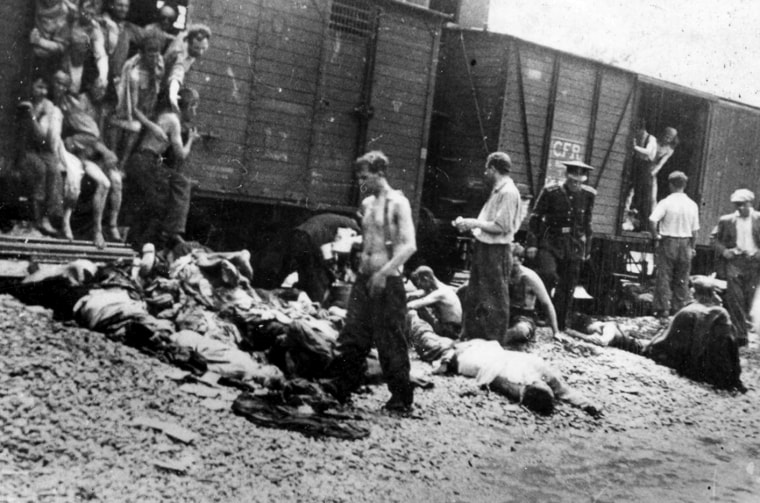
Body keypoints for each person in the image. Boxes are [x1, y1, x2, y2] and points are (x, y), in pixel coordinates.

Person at [322, 151, 417, 413]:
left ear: (380, 173)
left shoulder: (398, 203)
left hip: (389, 282)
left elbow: (409, 246)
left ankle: (401, 398)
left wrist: (384, 273)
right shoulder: (367, 204)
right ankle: (338, 387)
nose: (362, 182)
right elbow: (368, 242)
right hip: (364, 279)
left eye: (365, 177)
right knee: (353, 333)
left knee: (390, 339)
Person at [577, 276, 744, 391]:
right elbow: (732, 347)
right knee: (622, 335)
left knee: (627, 340)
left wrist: (650, 347)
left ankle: (586, 326)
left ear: (693, 292)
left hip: (680, 360)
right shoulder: (720, 314)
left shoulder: (688, 312)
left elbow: (662, 343)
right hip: (719, 372)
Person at [454, 151, 523, 343]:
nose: (485, 172)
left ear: (493, 168)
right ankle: (473, 336)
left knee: (495, 297)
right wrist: (472, 224)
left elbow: (502, 226)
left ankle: (494, 340)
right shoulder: (498, 190)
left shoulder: (508, 192)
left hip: (497, 250)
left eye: (487, 168)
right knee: (476, 293)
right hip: (485, 247)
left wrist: (472, 223)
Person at [121, 87, 201, 248]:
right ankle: (163, 235)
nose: (195, 112)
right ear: (189, 106)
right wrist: (191, 139)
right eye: (195, 107)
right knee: (160, 202)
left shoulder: (165, 115)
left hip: (143, 160)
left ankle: (166, 233)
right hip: (146, 161)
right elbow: (181, 154)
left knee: (177, 183)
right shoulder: (174, 121)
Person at [51, 69, 118, 248]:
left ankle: (97, 230)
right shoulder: (76, 102)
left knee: (106, 183)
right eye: (99, 87)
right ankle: (66, 223)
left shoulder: (94, 108)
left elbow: (93, 134)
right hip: (69, 152)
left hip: (84, 154)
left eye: (104, 89)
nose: (101, 92)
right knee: (74, 177)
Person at [527, 161, 595, 331]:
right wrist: (533, 244)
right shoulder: (551, 192)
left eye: (579, 182)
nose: (576, 185)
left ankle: (559, 322)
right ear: (567, 177)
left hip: (573, 245)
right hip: (551, 241)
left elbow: (587, 224)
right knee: (547, 274)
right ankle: (541, 315)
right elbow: (535, 219)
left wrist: (587, 250)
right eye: (573, 181)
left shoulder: (588, 195)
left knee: (568, 283)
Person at [106, 32, 166, 171]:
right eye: (151, 56)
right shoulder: (135, 75)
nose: (154, 59)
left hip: (149, 112)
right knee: (136, 128)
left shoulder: (158, 66)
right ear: (142, 54)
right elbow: (134, 109)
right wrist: (153, 127)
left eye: (157, 55)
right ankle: (121, 165)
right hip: (129, 115)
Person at [711, 188, 760, 345]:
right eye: (736, 204)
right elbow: (714, 239)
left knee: (748, 297)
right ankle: (740, 335)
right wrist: (724, 251)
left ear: (750, 203)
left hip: (753, 263)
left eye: (742, 204)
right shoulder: (727, 220)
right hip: (735, 261)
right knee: (735, 298)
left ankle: (742, 326)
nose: (739, 207)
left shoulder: (758, 219)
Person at [17, 77, 65, 236]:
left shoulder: (48, 107)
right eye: (39, 87)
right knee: (40, 170)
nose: (42, 92)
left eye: (45, 88)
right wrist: (31, 115)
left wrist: (34, 117)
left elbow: (44, 138)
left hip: (42, 149)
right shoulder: (25, 106)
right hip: (26, 150)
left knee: (53, 169)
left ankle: (46, 217)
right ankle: (36, 219)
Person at [649, 171, 699, 318]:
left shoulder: (666, 202)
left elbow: (652, 220)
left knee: (664, 276)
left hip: (669, 241)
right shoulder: (692, 205)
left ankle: (662, 309)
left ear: (671, 185)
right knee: (682, 278)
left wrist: (656, 236)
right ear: (684, 185)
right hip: (686, 243)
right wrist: (693, 247)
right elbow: (695, 230)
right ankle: (678, 311)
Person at [288, 213, 361, 305]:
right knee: (316, 276)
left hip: (299, 233)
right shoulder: (355, 229)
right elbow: (344, 250)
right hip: (311, 239)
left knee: (305, 272)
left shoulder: (337, 220)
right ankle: (314, 304)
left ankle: (302, 300)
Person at [504, 243, 561, 343]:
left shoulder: (529, 276)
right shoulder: (503, 273)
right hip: (506, 314)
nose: (511, 267)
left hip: (524, 317)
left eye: (514, 264)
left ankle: (501, 339)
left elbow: (547, 303)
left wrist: (556, 332)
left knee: (521, 331)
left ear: (521, 261)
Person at [163, 24, 211, 113]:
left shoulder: (189, 36)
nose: (200, 52)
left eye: (203, 48)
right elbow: (177, 72)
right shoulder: (179, 53)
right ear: (188, 42)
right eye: (196, 48)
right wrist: (173, 94)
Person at [407, 265, 462, 340]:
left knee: (417, 310)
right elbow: (423, 292)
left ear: (426, 279)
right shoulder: (442, 287)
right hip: (454, 327)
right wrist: (409, 295)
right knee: (414, 299)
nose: (419, 286)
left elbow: (415, 304)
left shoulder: (440, 292)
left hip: (450, 330)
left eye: (420, 282)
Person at [626, 119, 658, 231]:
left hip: (646, 168)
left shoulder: (651, 139)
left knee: (645, 196)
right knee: (636, 194)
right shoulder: (639, 138)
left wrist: (635, 147)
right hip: (639, 167)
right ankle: (634, 222)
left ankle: (644, 225)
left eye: (638, 130)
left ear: (642, 129)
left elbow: (648, 151)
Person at [650, 127, 679, 204]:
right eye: (666, 136)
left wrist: (653, 172)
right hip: (644, 164)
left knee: (653, 194)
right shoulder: (654, 141)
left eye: (670, 138)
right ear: (662, 135)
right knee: (632, 188)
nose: (667, 139)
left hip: (653, 169)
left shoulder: (669, 150)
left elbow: (661, 163)